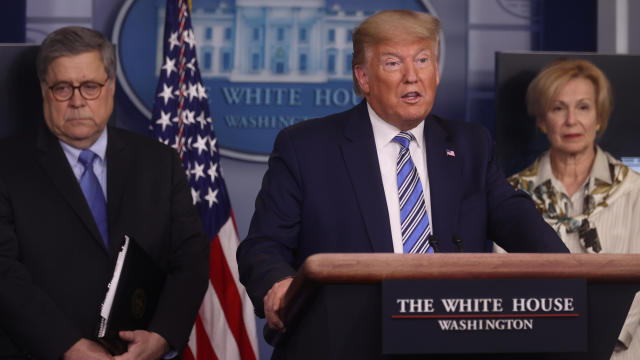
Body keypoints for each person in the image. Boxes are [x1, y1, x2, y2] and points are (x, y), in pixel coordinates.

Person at [236, 10, 568, 359]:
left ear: (437, 72)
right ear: (363, 78)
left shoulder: (471, 144)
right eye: (393, 63)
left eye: (423, 59)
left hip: (447, 342)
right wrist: (278, 285)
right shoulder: (306, 147)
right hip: (340, 343)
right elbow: (264, 245)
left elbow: (515, 217)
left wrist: (569, 271)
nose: (412, 76)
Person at [0, 27, 209, 359]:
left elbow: (191, 260)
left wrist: (160, 337)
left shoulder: (160, 162)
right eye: (62, 88)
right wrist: (69, 347)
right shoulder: (7, 166)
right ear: (44, 91)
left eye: (90, 86)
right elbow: (4, 272)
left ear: (110, 88)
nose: (78, 100)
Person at [507, 58, 640, 360]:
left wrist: (604, 342)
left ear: (599, 117)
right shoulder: (512, 196)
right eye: (557, 108)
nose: (571, 121)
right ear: (542, 120)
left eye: (583, 107)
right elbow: (506, 288)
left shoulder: (635, 191)